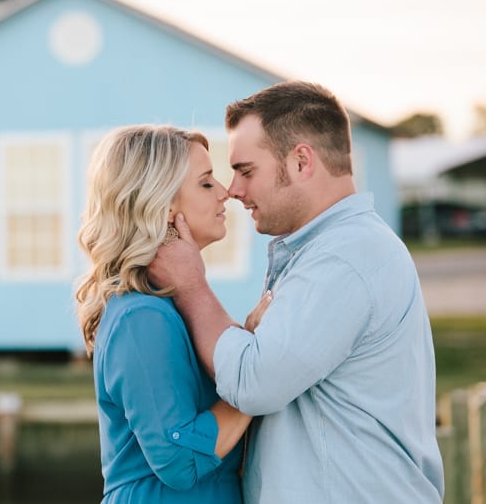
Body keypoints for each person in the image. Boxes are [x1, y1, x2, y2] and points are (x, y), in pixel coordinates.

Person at [148, 81, 445, 503]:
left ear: (302, 161)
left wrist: (192, 287)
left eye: (246, 170)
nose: (233, 190)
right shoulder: (333, 250)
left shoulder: (345, 257)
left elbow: (254, 383)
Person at [75, 124, 269, 503]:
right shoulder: (141, 317)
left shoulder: (169, 304)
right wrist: (257, 376)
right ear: (163, 206)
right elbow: (179, 459)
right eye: (206, 182)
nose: (226, 192)